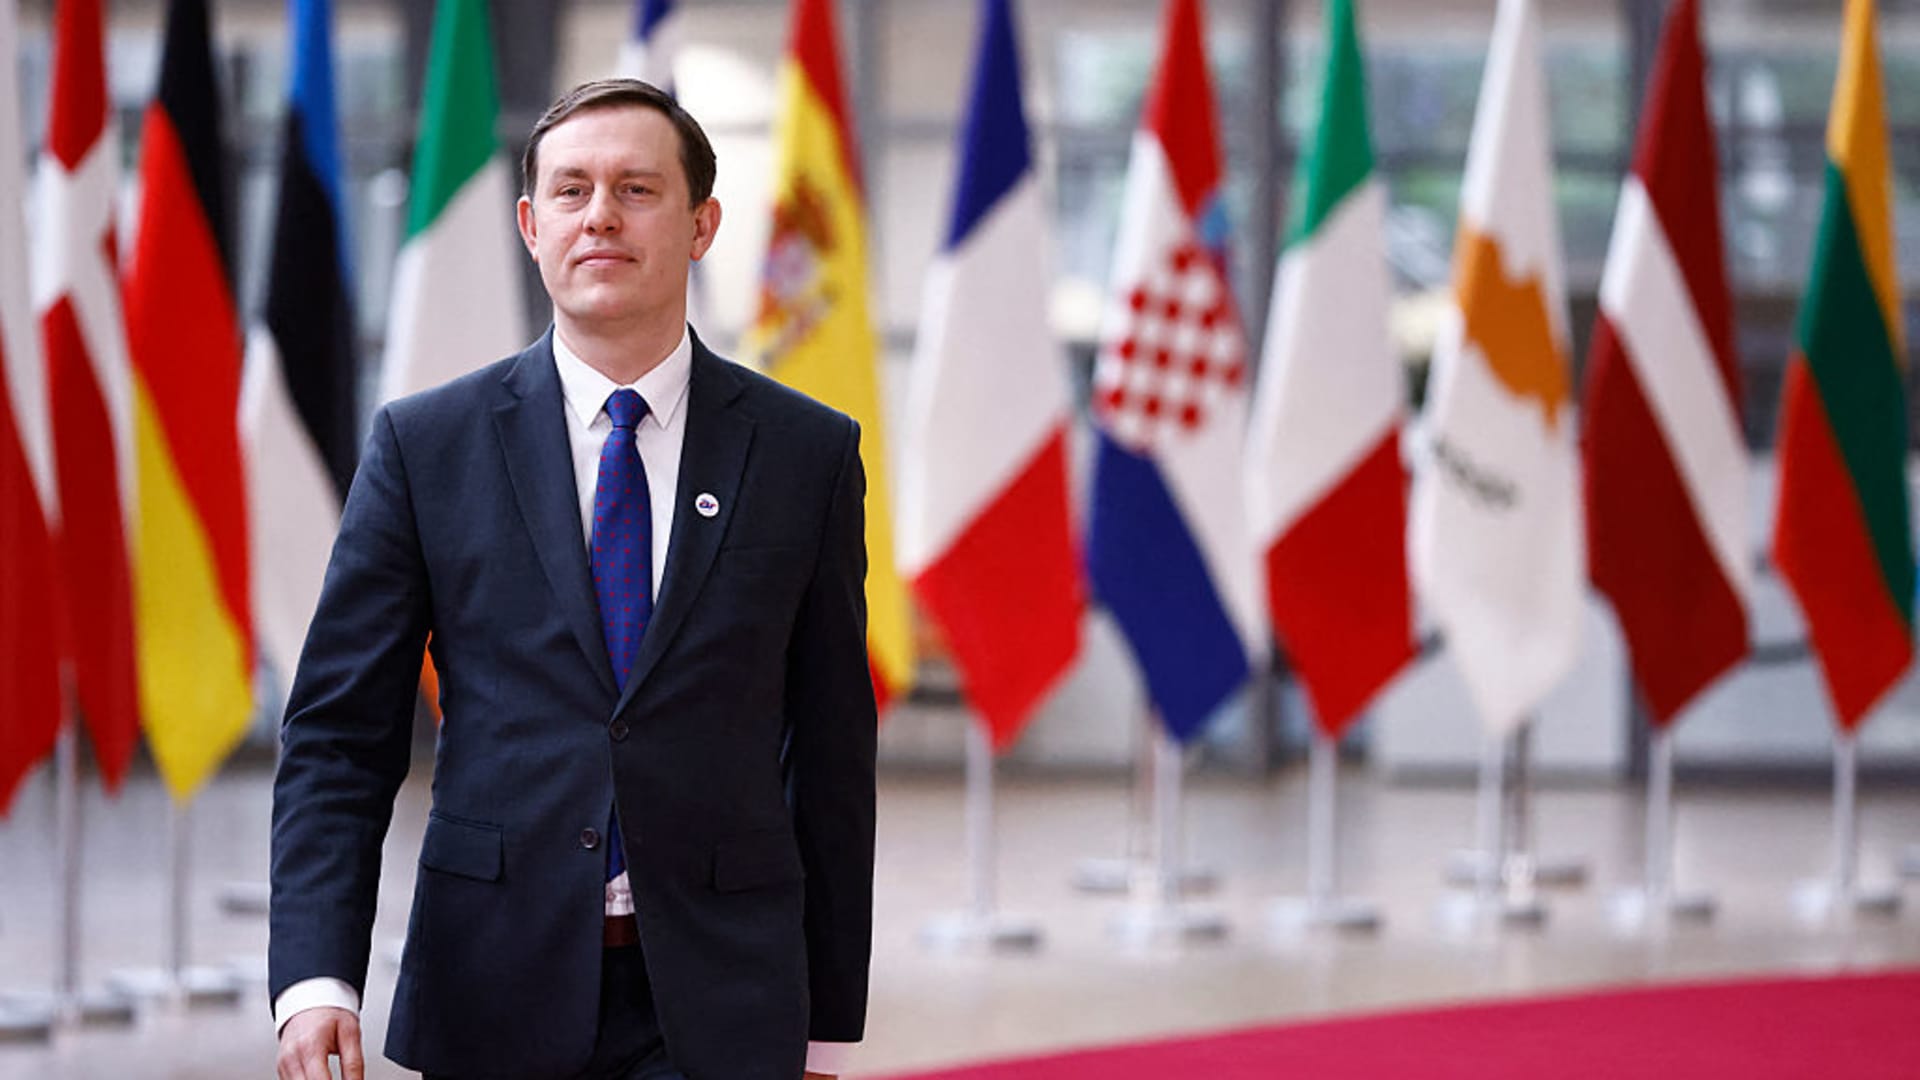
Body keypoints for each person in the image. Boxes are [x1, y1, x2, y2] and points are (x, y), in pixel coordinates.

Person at [270, 79, 876, 1080]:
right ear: (530, 225)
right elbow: (339, 736)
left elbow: (831, 756)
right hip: (490, 984)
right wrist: (314, 980)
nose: (600, 214)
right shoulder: (426, 448)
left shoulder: (806, 454)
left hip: (728, 999)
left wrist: (820, 1024)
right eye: (572, 191)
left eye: (638, 189)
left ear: (701, 225)